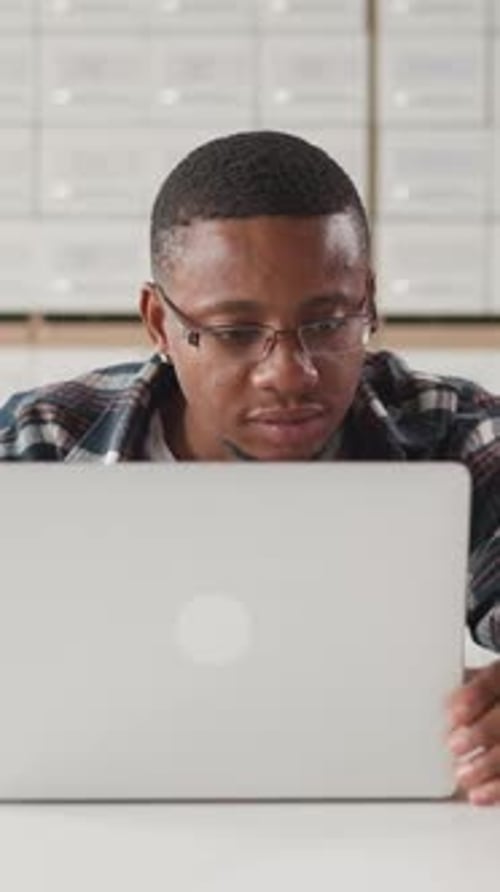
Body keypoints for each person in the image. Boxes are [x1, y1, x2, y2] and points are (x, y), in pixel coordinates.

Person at [0, 130, 499, 804]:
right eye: (235, 334)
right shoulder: (41, 443)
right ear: (158, 322)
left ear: (370, 301)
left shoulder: (455, 432)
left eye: (328, 323)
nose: (289, 374)